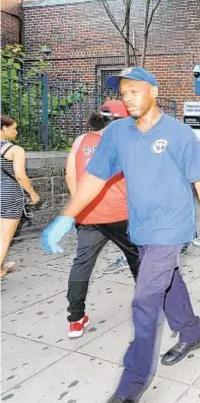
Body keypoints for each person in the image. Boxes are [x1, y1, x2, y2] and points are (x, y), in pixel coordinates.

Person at [40, 67, 200, 403]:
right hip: (139, 226)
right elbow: (94, 179)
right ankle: (192, 331)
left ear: (153, 90)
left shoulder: (180, 134)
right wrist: (66, 217)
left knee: (144, 299)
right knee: (168, 281)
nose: (127, 97)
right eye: (123, 92)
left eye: (135, 90)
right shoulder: (117, 134)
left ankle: (131, 386)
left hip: (171, 226)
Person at [64, 102, 140, 338]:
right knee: (139, 260)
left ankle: (75, 320)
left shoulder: (81, 140)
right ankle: (149, 308)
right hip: (120, 214)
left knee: (82, 264)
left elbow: (69, 174)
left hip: (88, 214)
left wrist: (80, 204)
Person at [1, 116, 40, 279]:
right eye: (14, 128)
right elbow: (20, 176)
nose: (16, 132)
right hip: (9, 196)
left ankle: (2, 267)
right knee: (4, 238)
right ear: (3, 128)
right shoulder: (15, 150)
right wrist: (33, 194)